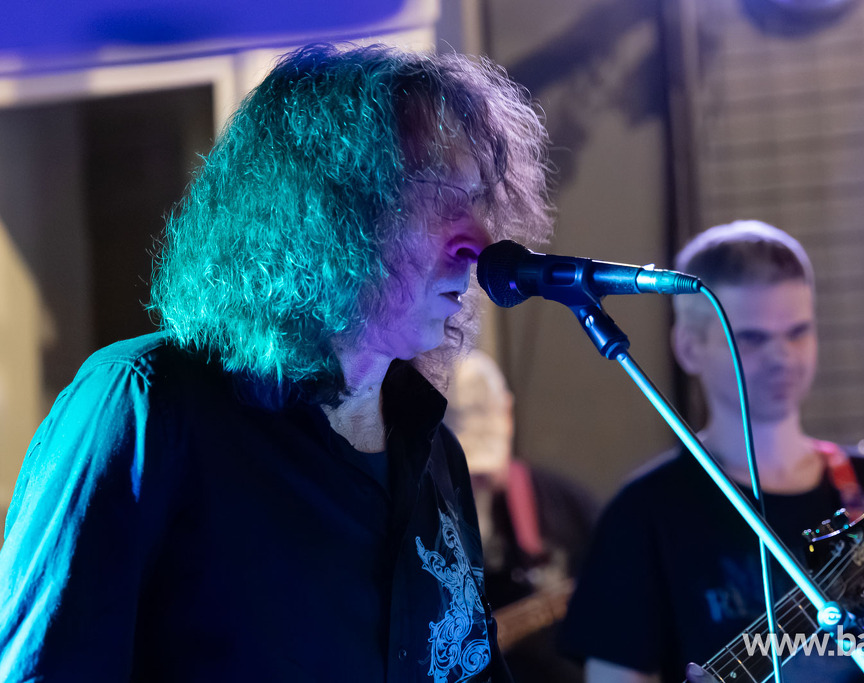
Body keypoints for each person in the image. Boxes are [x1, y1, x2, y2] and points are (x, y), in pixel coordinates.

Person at [0, 43, 553, 682]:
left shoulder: (434, 454)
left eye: (481, 201)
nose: (480, 243)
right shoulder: (146, 405)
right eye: (441, 197)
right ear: (326, 211)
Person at [558, 221, 864, 683]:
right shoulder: (643, 514)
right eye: (752, 338)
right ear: (689, 348)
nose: (783, 356)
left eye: (798, 332)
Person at [445, 349, 599, 683]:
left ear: (508, 414)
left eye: (486, 468)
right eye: (468, 466)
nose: (478, 481)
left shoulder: (570, 508)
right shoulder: (407, 519)